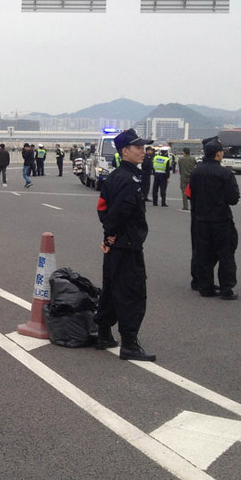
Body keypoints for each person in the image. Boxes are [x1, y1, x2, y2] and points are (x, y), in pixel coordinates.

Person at [94, 128, 156, 362]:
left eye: (143, 148)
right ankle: (129, 344)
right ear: (125, 151)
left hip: (116, 243)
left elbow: (102, 207)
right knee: (132, 292)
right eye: (138, 148)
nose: (143, 152)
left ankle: (103, 334)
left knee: (110, 288)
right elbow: (118, 212)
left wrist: (108, 236)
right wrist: (111, 234)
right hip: (127, 244)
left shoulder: (115, 176)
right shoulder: (129, 179)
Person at [186, 136, 240, 300]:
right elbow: (233, 198)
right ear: (218, 154)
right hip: (221, 219)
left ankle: (205, 287)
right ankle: (226, 288)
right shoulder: (225, 173)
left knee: (203, 253)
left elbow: (190, 195)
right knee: (226, 254)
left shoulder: (196, 172)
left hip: (200, 219)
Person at [176, 147, 197, 211]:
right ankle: (194, 206)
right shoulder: (193, 159)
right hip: (192, 177)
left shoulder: (181, 159)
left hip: (184, 176)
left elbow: (180, 168)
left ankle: (185, 206)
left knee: (184, 192)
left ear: (184, 152)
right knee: (193, 192)